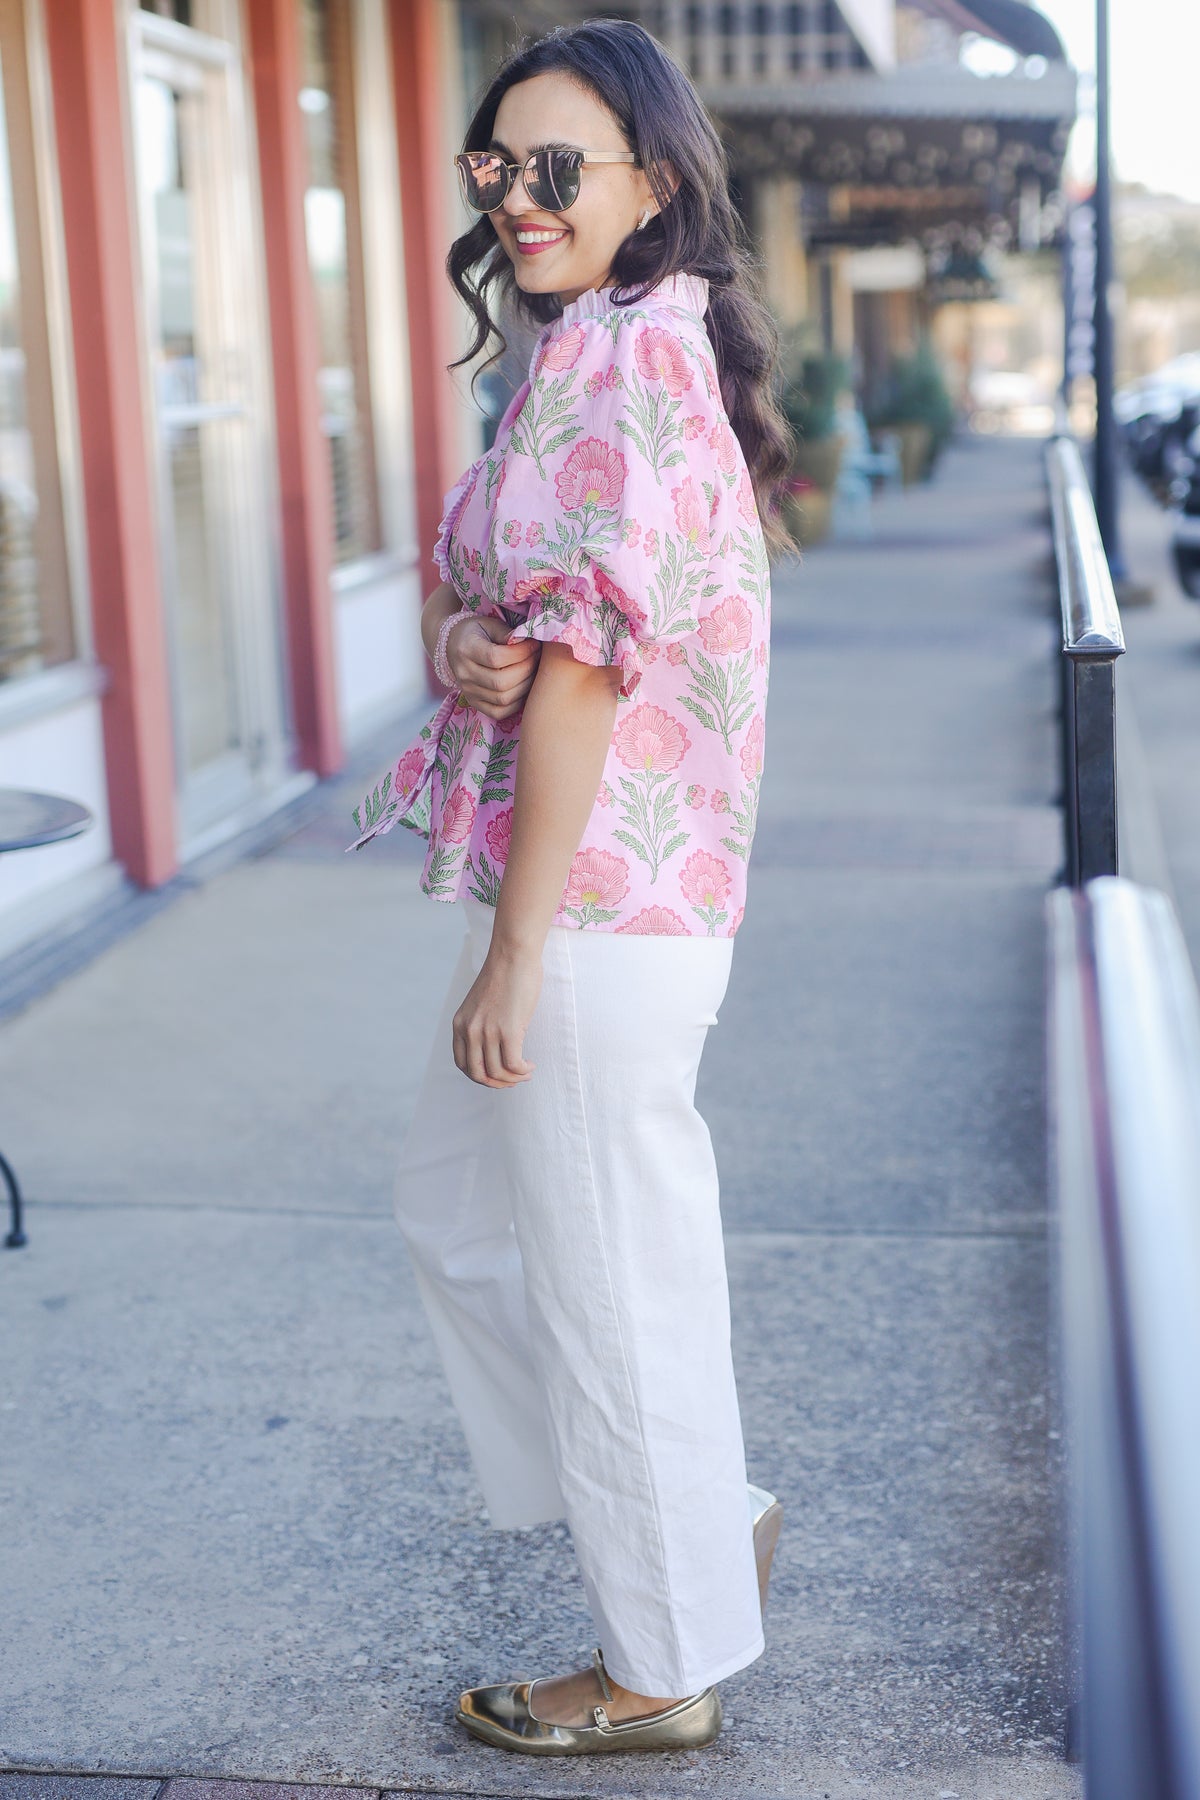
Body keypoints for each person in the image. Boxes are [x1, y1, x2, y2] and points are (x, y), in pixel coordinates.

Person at [349, 17, 791, 1756]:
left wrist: (515, 952)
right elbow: (541, 632)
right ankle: (698, 1524)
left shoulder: (623, 368)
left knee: (612, 1277)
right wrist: (469, 639)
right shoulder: (591, 346)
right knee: (459, 1219)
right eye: (496, 165)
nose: (518, 198)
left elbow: (598, 677)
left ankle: (660, 1659)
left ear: (652, 185)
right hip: (598, 894)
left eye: (557, 169)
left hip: (600, 907)